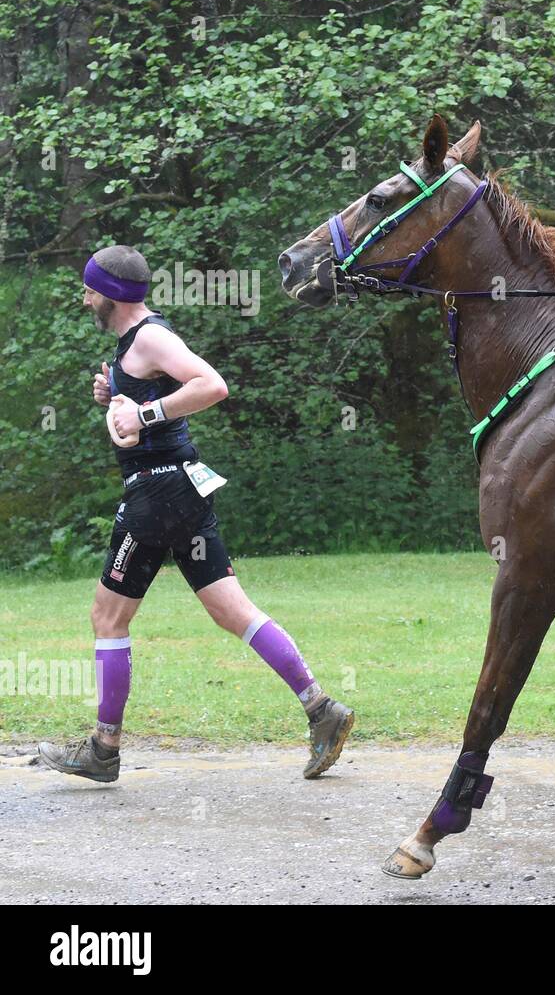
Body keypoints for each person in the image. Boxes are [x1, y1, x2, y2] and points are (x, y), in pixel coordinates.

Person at [37, 245, 354, 783]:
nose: (84, 296)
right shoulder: (132, 346)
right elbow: (143, 402)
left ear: (110, 295)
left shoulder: (151, 336)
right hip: (182, 490)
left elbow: (211, 385)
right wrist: (114, 392)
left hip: (156, 496)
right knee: (232, 611)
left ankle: (103, 748)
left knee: (108, 617)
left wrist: (145, 410)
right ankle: (322, 710)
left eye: (90, 287)